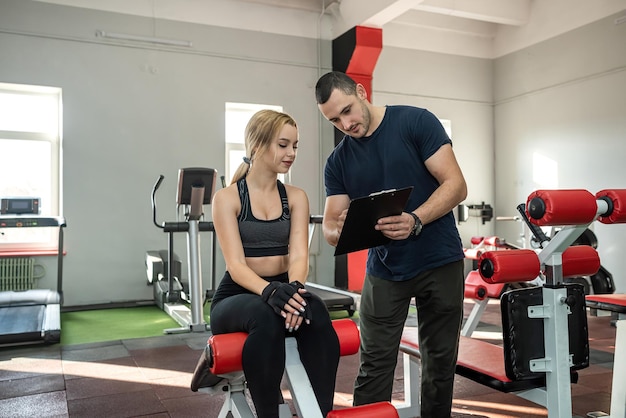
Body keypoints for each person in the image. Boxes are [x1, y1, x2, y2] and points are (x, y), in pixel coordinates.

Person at [315, 71, 467, 417]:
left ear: (361, 91)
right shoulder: (338, 162)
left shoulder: (415, 122)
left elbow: (456, 185)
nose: (345, 123)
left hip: (440, 260)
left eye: (348, 110)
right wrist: (338, 230)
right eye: (334, 120)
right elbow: (330, 225)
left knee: (440, 364)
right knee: (374, 365)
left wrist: (415, 220)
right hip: (385, 269)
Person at [208, 109, 341, 418]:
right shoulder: (227, 199)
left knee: (316, 310)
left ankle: (321, 414)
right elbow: (236, 265)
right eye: (283, 145)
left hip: (283, 288)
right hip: (237, 296)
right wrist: (270, 293)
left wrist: (294, 291)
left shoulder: (295, 197)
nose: (291, 153)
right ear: (257, 145)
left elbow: (298, 256)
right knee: (264, 317)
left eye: (295, 145)